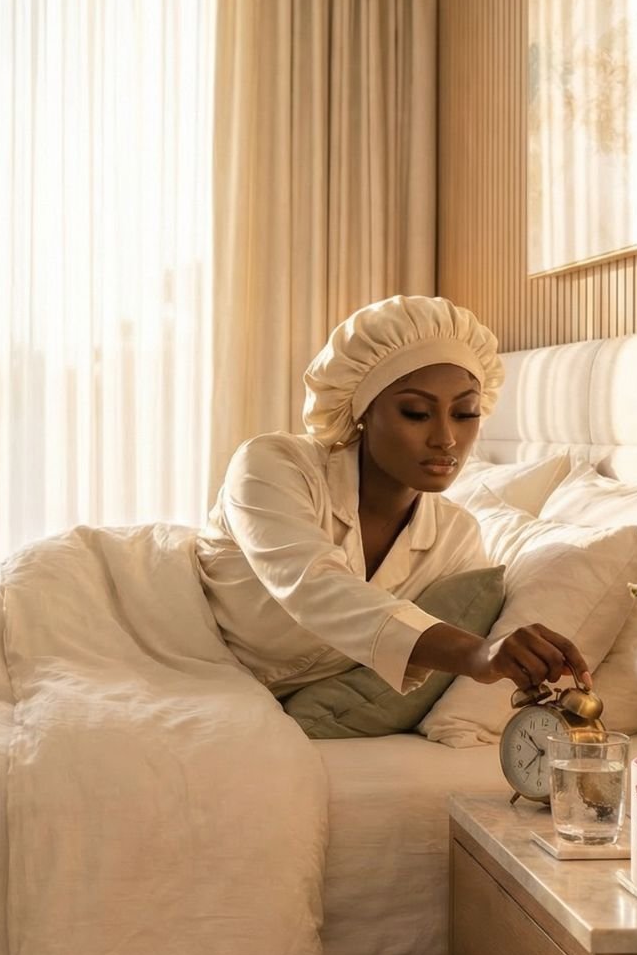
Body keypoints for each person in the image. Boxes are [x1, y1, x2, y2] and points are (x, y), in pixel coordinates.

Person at [196, 293, 591, 701]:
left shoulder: (456, 539)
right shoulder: (272, 465)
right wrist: (477, 653)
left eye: (466, 413)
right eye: (417, 413)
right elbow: (314, 586)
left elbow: (422, 653)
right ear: (363, 410)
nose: (446, 438)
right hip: (155, 637)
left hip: (241, 695)